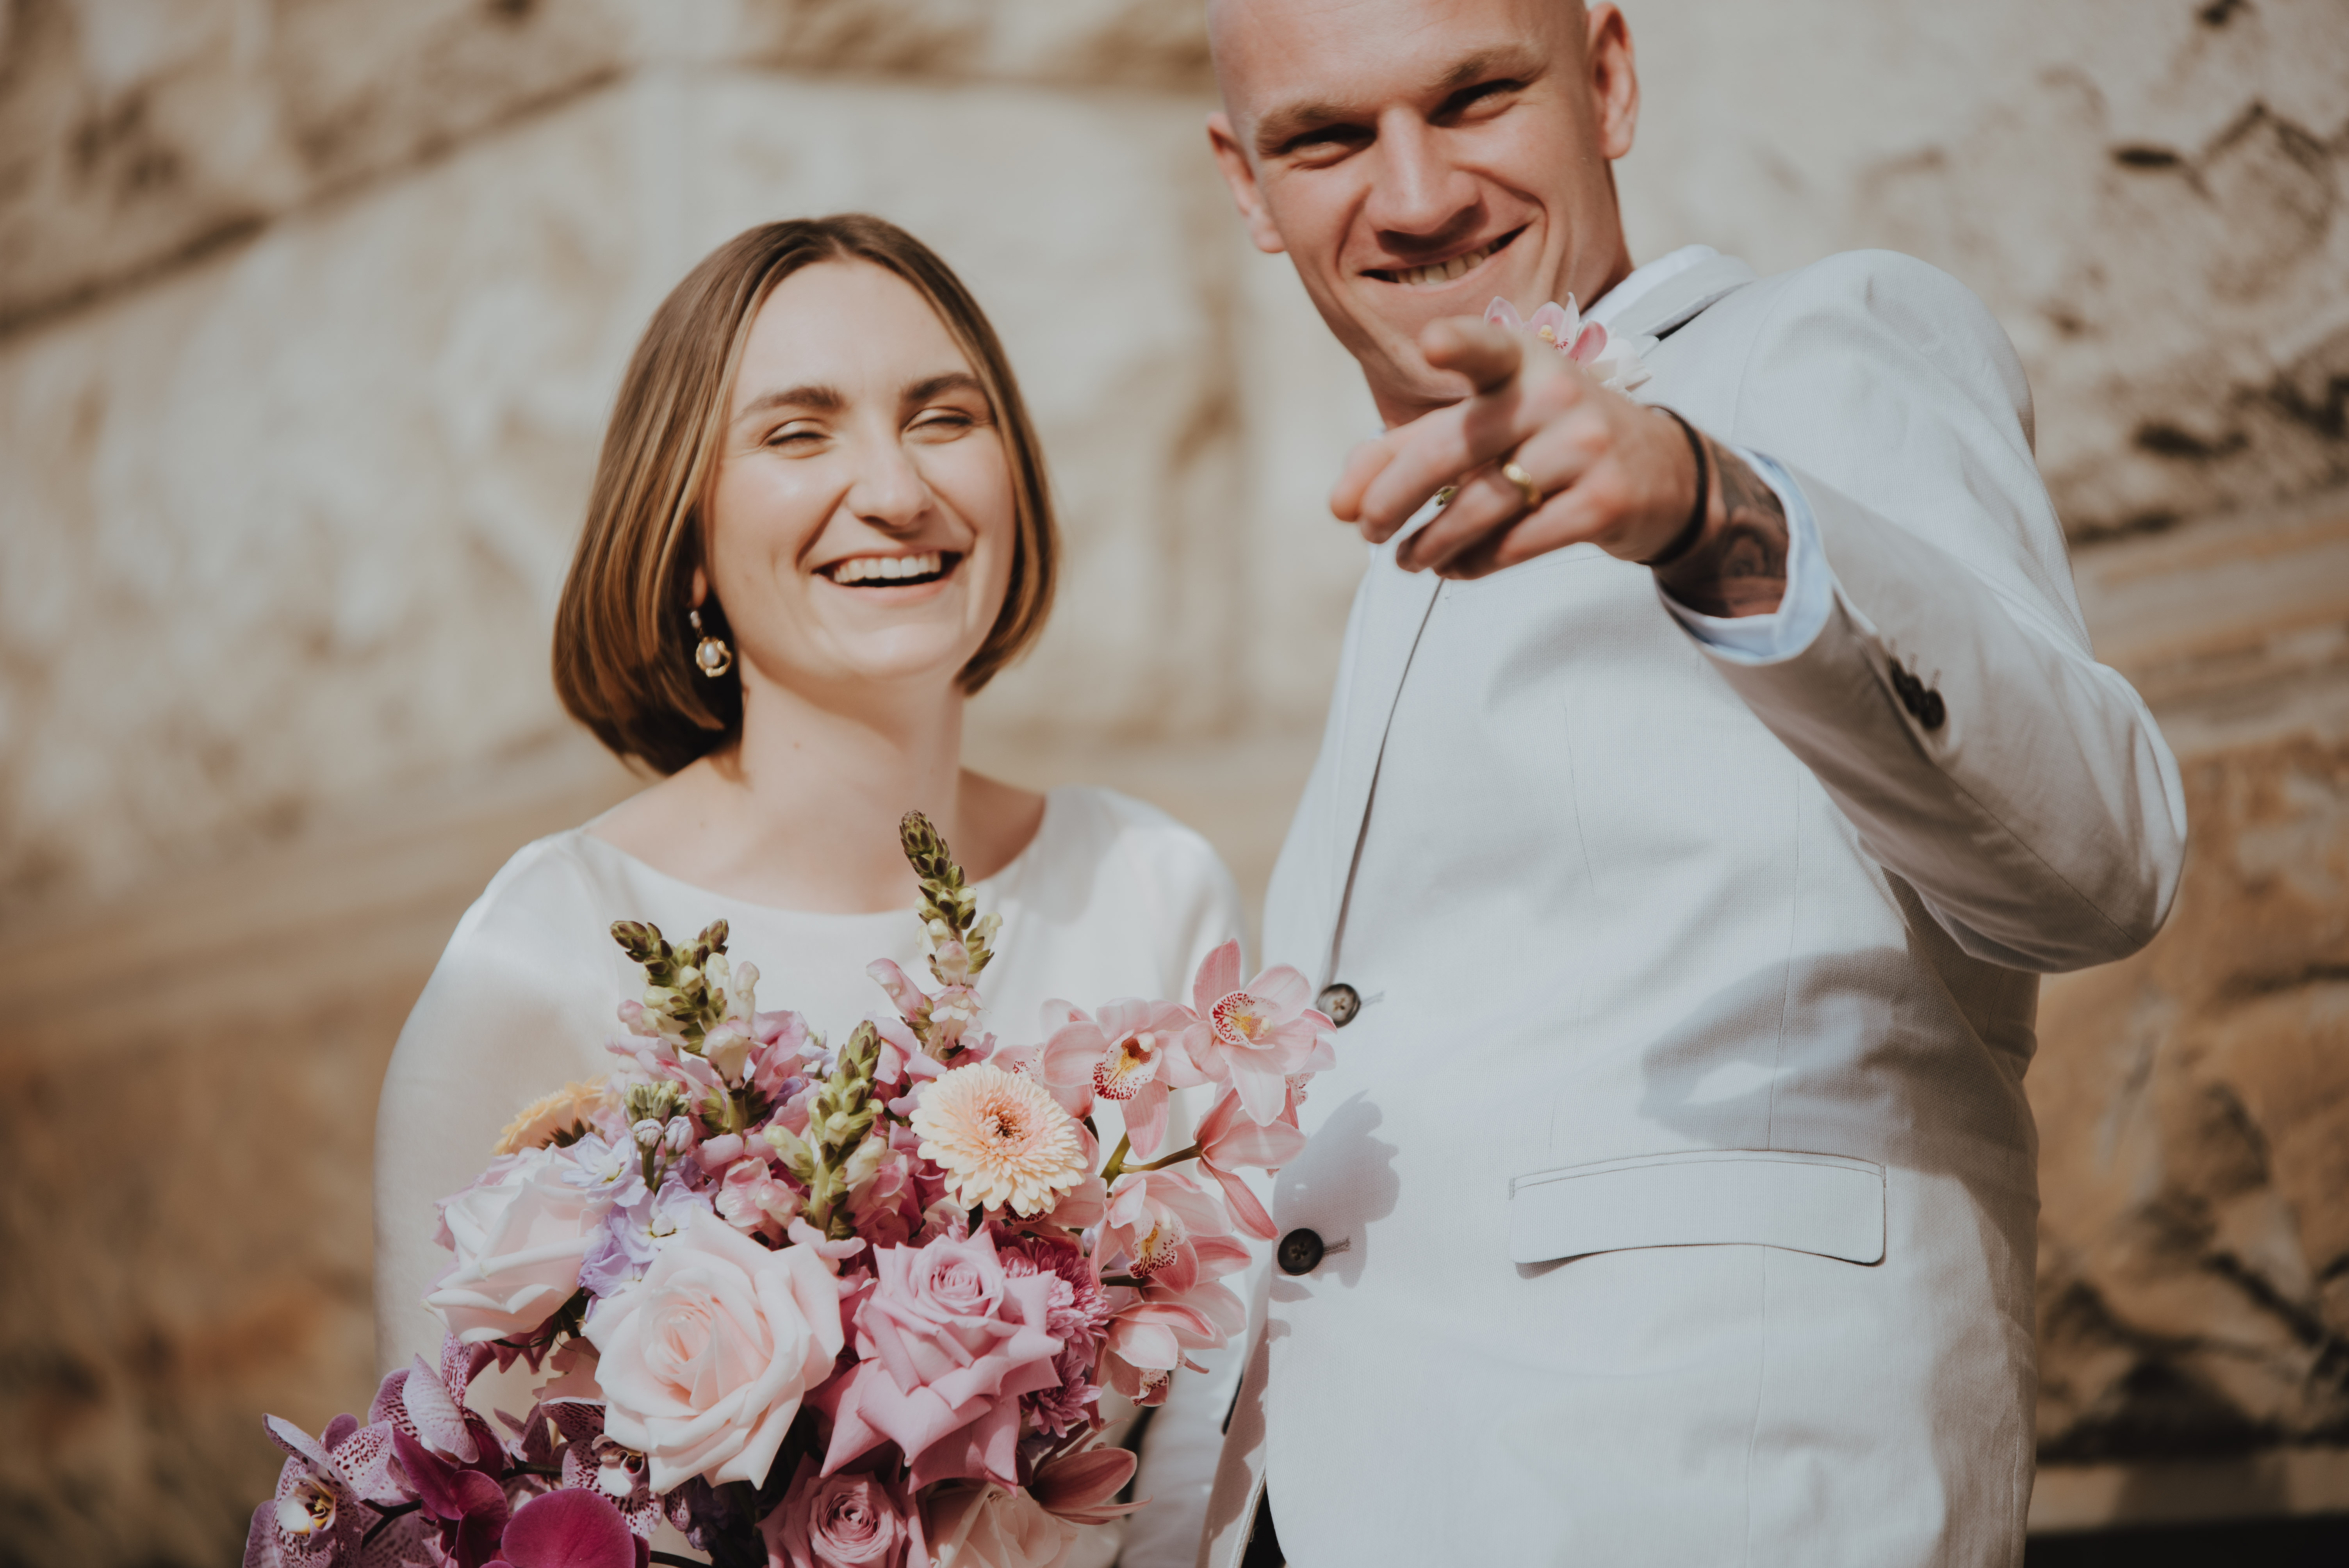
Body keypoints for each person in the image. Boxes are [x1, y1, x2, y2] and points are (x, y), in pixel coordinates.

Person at [1192, 2, 2187, 1565]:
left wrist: (1714, 510)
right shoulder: (1404, 539)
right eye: (1325, 138)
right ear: (1245, 183)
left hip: (1714, 1486)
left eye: (1473, 100)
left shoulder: (1818, 344)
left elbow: (2102, 858)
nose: (1413, 195)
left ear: (1607, 78)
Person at [371, 215, 1239, 1568]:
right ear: (690, 539)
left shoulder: (1157, 890)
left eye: (943, 417)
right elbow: (442, 1504)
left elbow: (1199, 1459)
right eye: (799, 432)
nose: (896, 489)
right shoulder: (543, 955)